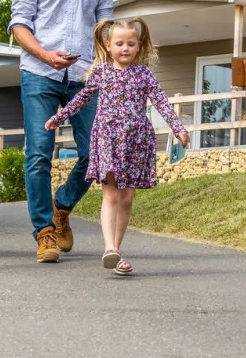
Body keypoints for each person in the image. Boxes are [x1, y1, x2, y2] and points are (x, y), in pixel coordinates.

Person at [9, 0, 115, 263]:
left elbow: (106, 28)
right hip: (40, 74)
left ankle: (62, 205)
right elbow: (19, 25)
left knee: (96, 153)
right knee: (39, 152)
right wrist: (44, 55)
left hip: (86, 77)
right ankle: (44, 232)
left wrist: (106, 67)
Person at [46, 18, 189, 277]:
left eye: (131, 44)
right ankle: (109, 248)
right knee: (111, 195)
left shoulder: (143, 74)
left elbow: (162, 102)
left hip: (136, 141)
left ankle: (117, 251)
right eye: (120, 43)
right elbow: (83, 97)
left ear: (139, 46)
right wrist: (59, 117)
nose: (125, 48)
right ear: (108, 46)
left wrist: (178, 128)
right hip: (108, 139)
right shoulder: (101, 72)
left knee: (127, 198)